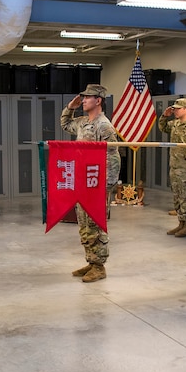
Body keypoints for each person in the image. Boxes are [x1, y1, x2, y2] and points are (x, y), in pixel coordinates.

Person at [60, 83, 121, 283]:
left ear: (98, 101)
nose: (84, 100)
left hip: (97, 184)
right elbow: (65, 124)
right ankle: (91, 260)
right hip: (83, 182)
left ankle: (99, 266)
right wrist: (71, 107)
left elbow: (113, 157)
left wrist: (107, 186)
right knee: (84, 223)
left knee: (95, 223)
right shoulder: (82, 122)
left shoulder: (104, 126)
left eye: (87, 97)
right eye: (83, 97)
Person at [158, 97, 186, 237]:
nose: (175, 111)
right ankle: (181, 223)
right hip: (175, 166)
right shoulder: (175, 124)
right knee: (177, 197)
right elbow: (163, 128)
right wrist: (164, 116)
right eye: (174, 108)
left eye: (178, 108)